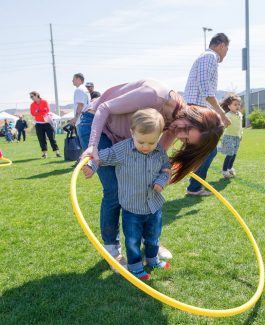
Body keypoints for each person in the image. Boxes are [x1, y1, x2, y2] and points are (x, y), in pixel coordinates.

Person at [78, 79, 224, 268]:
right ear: (192, 114)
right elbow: (104, 108)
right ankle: (112, 250)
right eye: (186, 129)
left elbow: (154, 160)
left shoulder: (174, 124)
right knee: (114, 190)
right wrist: (92, 146)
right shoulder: (154, 95)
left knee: (147, 184)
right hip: (97, 125)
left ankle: (151, 243)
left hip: (128, 138)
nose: (180, 135)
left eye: (186, 139)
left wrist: (160, 176)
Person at [83, 109, 171, 280]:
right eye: (141, 142)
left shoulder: (159, 151)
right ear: (132, 133)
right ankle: (135, 266)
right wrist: (91, 167)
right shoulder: (122, 150)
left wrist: (161, 180)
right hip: (132, 208)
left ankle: (153, 259)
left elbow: (166, 169)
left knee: (153, 237)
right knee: (132, 240)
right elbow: (101, 156)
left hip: (154, 206)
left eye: (151, 142)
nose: (146, 147)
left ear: (159, 136)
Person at [184, 33, 231, 196]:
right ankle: (194, 187)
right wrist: (222, 115)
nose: (226, 54)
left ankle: (194, 185)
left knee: (203, 150)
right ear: (221, 45)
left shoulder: (207, 58)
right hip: (196, 110)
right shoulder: (210, 57)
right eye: (227, 50)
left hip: (197, 109)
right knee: (208, 149)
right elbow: (206, 91)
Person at [29, 91, 61, 158]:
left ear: (36, 95)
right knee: (41, 139)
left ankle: (57, 152)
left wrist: (38, 111)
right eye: (30, 97)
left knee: (52, 138)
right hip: (38, 124)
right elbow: (32, 113)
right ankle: (44, 153)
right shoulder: (32, 105)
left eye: (32, 96)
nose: (31, 98)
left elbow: (47, 110)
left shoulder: (44, 102)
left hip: (47, 123)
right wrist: (40, 111)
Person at [219, 95, 243, 178]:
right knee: (230, 154)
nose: (237, 106)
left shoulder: (240, 114)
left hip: (237, 137)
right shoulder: (228, 115)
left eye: (239, 104)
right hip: (229, 137)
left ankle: (230, 168)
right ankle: (224, 170)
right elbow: (223, 125)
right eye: (235, 104)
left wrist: (241, 135)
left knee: (234, 154)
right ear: (229, 106)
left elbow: (240, 126)